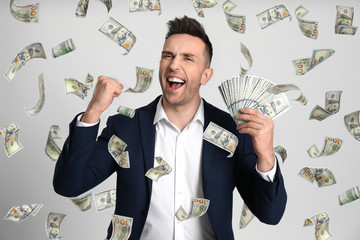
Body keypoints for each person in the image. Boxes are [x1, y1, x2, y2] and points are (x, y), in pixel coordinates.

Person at [53, 16, 287, 240]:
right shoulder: (126, 127)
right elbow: (68, 185)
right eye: (168, 56)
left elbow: (271, 214)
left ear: (206, 75)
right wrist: (93, 111)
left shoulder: (233, 130)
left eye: (188, 58)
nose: (174, 64)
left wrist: (266, 155)